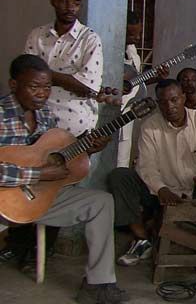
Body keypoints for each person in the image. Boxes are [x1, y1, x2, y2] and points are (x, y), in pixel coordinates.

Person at [0, 54, 127, 304]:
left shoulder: (47, 116)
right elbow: (39, 169)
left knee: (101, 202)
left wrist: (87, 149)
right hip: (3, 202)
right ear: (14, 84)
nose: (42, 94)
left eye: (47, 88)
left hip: (37, 200)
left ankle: (97, 285)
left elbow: (56, 156)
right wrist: (38, 174)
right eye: (34, 87)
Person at [107, 79, 196, 266]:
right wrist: (161, 189)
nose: (170, 106)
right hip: (161, 193)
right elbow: (146, 165)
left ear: (183, 98)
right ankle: (141, 239)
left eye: (174, 100)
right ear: (158, 103)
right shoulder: (150, 126)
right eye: (164, 102)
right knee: (119, 176)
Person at [24, 0, 103, 137]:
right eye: (64, 1)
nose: (70, 8)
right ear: (53, 2)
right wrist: (68, 80)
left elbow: (87, 87)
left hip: (76, 126)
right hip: (39, 125)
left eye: (76, 3)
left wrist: (43, 75)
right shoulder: (37, 35)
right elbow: (26, 77)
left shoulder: (89, 39)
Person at [116, 10, 168, 168]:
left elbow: (133, 84)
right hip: (105, 114)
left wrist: (156, 77)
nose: (137, 39)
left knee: (121, 162)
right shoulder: (105, 51)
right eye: (132, 35)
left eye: (139, 34)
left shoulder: (134, 55)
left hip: (126, 117)